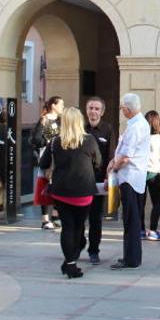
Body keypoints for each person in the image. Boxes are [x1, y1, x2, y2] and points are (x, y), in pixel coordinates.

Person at [40, 107, 101, 279]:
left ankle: (69, 262)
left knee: (68, 227)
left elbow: (43, 163)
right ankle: (71, 263)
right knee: (79, 227)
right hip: (84, 191)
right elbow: (99, 163)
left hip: (61, 191)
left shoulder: (55, 142)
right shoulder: (90, 140)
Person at [109, 93, 150, 270]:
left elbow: (127, 156)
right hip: (132, 177)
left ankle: (131, 259)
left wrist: (113, 167)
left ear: (128, 109)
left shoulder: (136, 127)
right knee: (131, 218)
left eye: (122, 108)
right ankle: (130, 256)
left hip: (130, 178)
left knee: (131, 219)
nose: (121, 110)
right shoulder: (138, 123)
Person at [84, 96, 113, 264]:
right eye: (90, 108)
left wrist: (109, 176)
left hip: (98, 180)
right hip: (81, 180)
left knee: (95, 217)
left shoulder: (107, 130)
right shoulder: (81, 128)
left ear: (102, 112)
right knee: (79, 216)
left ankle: (94, 250)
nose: (93, 111)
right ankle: (78, 244)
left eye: (96, 109)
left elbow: (111, 154)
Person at [31, 96, 64, 230]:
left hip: (60, 157)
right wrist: (49, 142)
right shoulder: (43, 120)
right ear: (53, 106)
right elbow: (36, 139)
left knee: (59, 185)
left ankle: (56, 216)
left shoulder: (62, 121)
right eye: (61, 104)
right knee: (45, 186)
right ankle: (45, 219)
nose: (63, 107)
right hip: (47, 157)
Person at [141, 111, 160, 241]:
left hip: (141, 171)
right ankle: (153, 229)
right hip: (153, 171)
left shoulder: (142, 137)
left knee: (141, 201)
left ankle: (140, 230)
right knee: (156, 202)